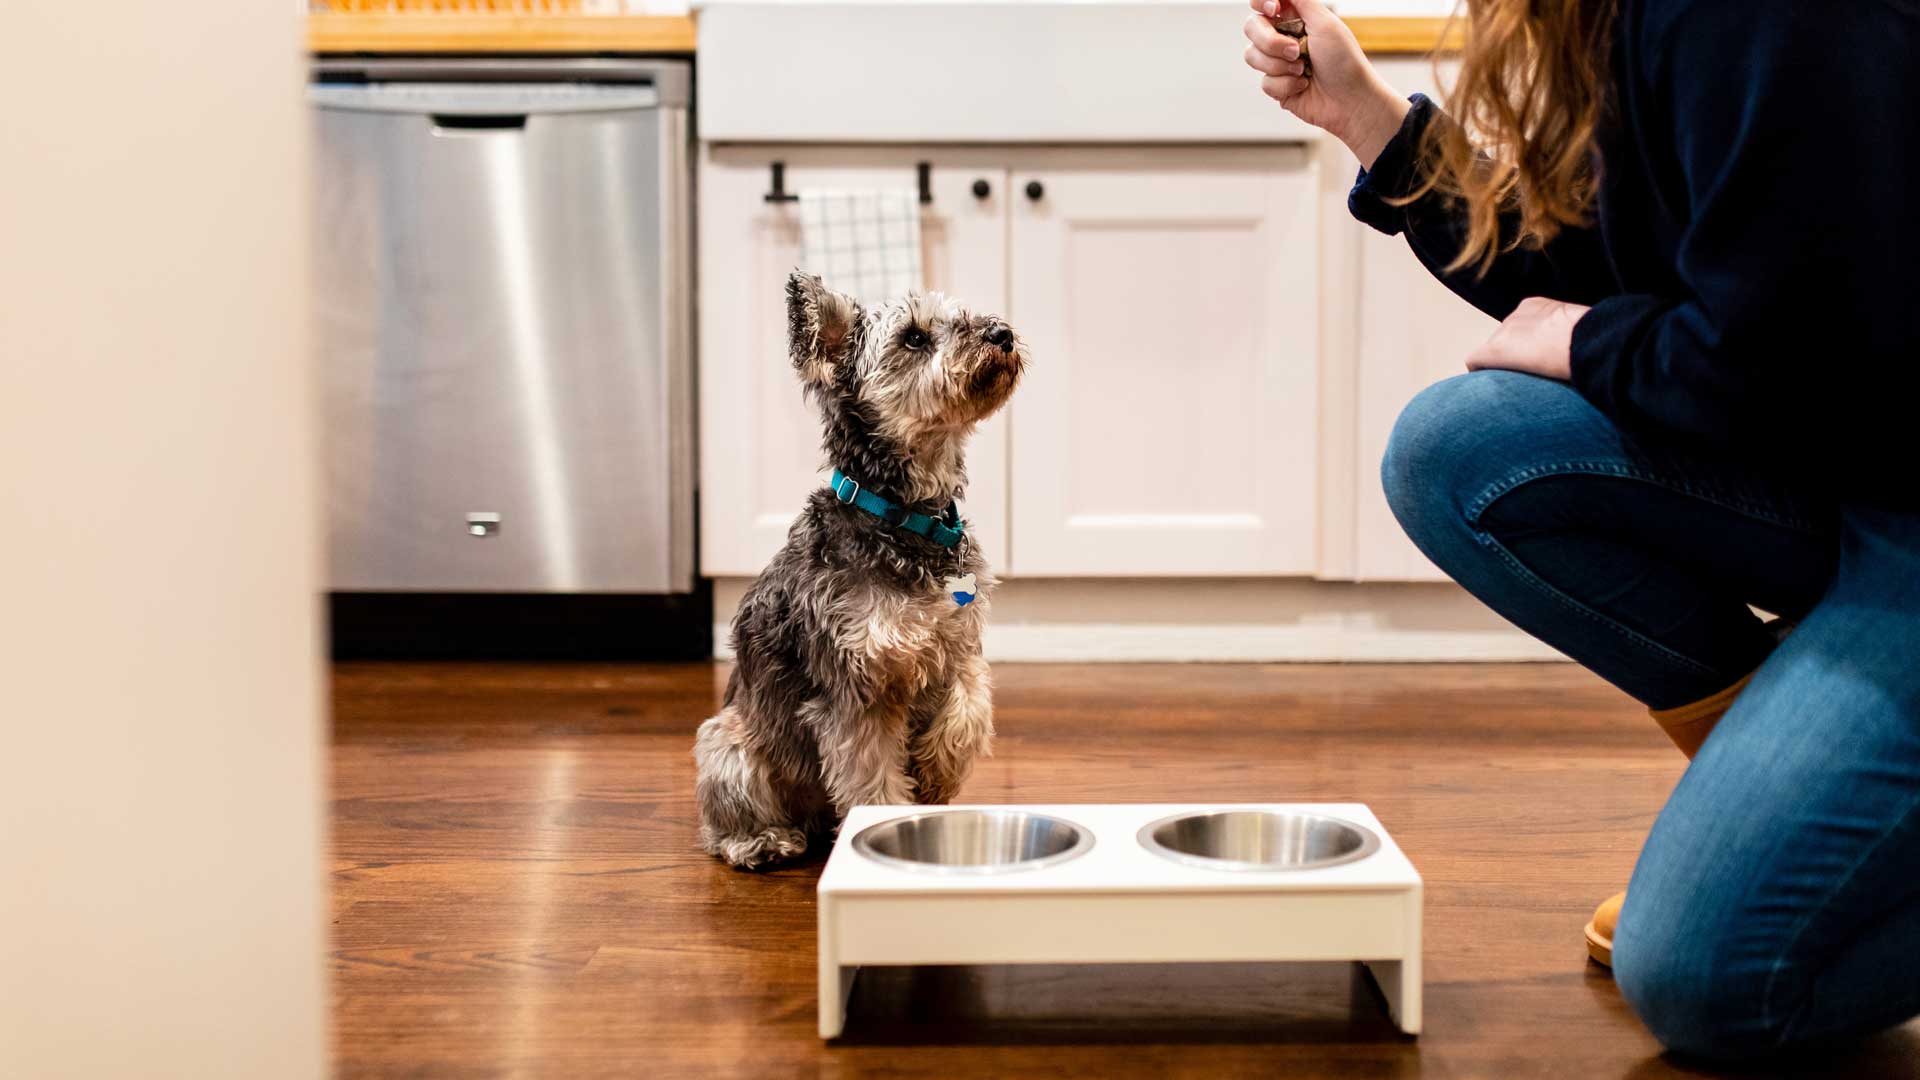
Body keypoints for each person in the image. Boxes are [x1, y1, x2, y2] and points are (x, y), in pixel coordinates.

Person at [1243, 0, 1919, 1061]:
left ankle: (1825, 837)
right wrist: (1372, 120)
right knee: (1461, 452)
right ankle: (1802, 799)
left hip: (1881, 472)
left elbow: (1791, 366)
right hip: (1865, 463)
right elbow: (1614, 258)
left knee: (1707, 974)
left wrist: (1595, 343)